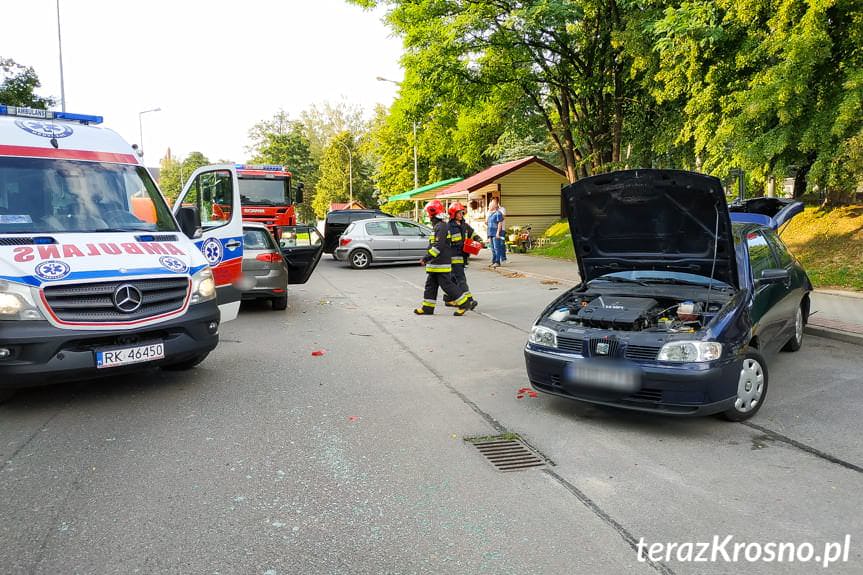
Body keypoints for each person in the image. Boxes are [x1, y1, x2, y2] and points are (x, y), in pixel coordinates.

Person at [414, 200, 472, 316]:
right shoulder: (438, 226)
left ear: (432, 213)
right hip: (435, 264)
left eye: (428, 213)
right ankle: (427, 308)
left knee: (447, 285)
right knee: (430, 286)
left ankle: (464, 303)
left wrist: (426, 258)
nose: (427, 215)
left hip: (440, 263)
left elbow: (438, 246)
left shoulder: (441, 227)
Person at [444, 202, 477, 310]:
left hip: (462, 256)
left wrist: (478, 241)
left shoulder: (464, 225)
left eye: (462, 212)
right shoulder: (450, 226)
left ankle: (449, 299)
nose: (461, 214)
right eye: (458, 212)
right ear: (453, 214)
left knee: (453, 279)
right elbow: (453, 242)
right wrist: (464, 245)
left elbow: (472, 234)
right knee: (461, 279)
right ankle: (469, 300)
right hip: (454, 256)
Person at [486, 199, 505, 268]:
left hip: (495, 233)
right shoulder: (490, 214)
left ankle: (497, 262)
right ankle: (494, 261)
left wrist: (497, 233)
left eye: (490, 204)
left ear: (495, 205)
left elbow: (500, 223)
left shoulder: (498, 213)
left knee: (497, 248)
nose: (489, 206)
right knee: (492, 248)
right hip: (490, 233)